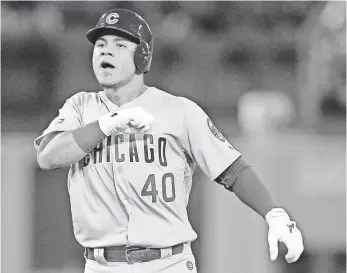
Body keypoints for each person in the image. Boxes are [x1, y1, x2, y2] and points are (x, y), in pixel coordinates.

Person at [34, 8, 304, 273]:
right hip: (101, 265)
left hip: (168, 263)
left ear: (142, 56)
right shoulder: (80, 108)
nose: (105, 50)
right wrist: (105, 125)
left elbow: (232, 169)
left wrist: (275, 215)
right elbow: (47, 156)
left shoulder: (179, 110)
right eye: (100, 44)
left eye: (119, 44)